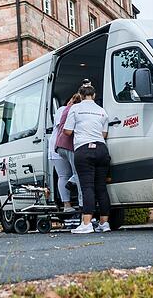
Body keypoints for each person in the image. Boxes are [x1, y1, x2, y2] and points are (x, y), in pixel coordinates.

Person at [63, 83, 111, 234]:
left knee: (87, 187)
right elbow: (104, 134)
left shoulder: (75, 109)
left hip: (84, 150)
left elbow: (67, 131)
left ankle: (87, 223)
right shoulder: (102, 111)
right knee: (101, 188)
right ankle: (104, 223)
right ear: (94, 95)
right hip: (102, 150)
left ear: (81, 95)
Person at [53, 93, 83, 212]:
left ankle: (67, 205)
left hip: (58, 146)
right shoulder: (69, 110)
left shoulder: (63, 109)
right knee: (75, 173)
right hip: (66, 144)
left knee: (63, 175)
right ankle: (76, 203)